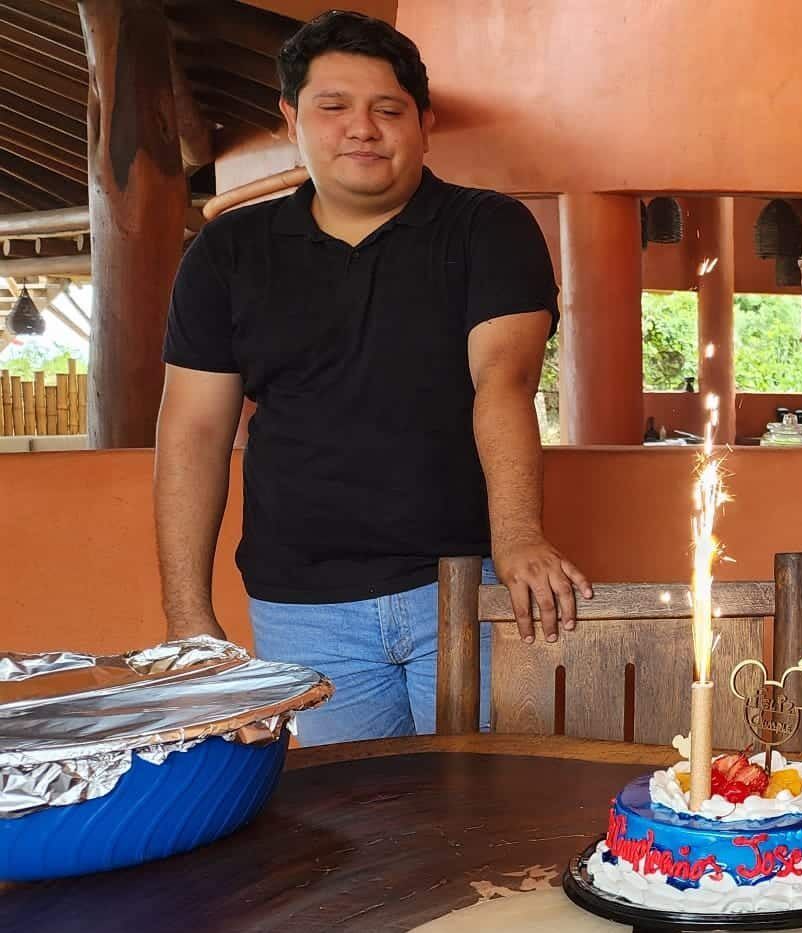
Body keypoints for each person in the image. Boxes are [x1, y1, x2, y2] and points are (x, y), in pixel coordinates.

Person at [155, 11, 590, 744]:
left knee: (492, 812)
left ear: (423, 121)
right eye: (334, 107)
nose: (362, 128)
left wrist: (518, 539)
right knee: (353, 833)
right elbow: (194, 431)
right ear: (292, 117)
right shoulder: (228, 253)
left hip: (463, 589)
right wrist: (189, 619)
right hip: (302, 605)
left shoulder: (488, 230)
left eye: (388, 109)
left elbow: (503, 383)